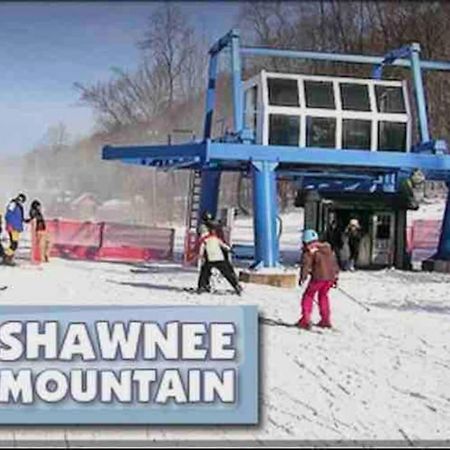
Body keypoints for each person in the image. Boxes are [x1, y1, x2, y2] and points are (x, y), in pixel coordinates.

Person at [298, 229, 339, 330]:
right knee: (323, 296)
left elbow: (306, 265)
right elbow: (334, 263)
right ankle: (325, 319)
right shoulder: (327, 249)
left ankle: (306, 319)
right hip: (329, 278)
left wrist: (303, 277)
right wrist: (335, 277)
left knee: (308, 295)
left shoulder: (309, 250)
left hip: (318, 278)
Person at [196, 225, 242, 296]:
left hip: (210, 259)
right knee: (227, 273)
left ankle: (202, 286)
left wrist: (200, 256)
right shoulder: (215, 238)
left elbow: (201, 250)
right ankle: (236, 285)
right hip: (220, 258)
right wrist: (229, 249)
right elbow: (223, 245)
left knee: (204, 272)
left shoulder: (204, 240)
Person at [3, 193, 26, 264]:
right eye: (21, 200)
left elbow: (18, 217)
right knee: (14, 244)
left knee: (14, 244)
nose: (21, 201)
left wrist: (24, 220)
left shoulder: (18, 206)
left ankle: (7, 257)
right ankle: (6, 257)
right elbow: (8, 215)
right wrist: (10, 224)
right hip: (13, 227)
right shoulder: (13, 204)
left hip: (16, 227)